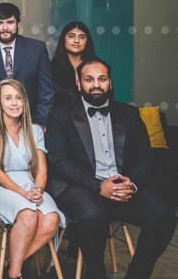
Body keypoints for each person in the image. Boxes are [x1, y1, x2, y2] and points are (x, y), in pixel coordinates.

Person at [46, 58, 177, 279]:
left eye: (102, 79)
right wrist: (99, 186)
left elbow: (145, 156)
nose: (96, 84)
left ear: (110, 82)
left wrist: (131, 183)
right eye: (89, 79)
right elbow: (59, 161)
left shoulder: (130, 114)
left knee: (164, 216)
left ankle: (137, 275)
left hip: (126, 185)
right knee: (91, 215)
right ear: (79, 83)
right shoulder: (61, 115)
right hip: (84, 185)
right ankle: (96, 272)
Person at [0, 79, 63, 279]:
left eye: (18, 98)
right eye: (8, 98)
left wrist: (38, 190)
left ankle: (10, 265)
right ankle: (15, 274)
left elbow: (41, 168)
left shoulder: (35, 130)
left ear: (25, 102)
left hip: (30, 185)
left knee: (51, 218)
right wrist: (23, 194)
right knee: (29, 214)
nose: (14, 103)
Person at [0, 3, 55, 129]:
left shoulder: (36, 49)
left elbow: (46, 91)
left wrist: (41, 124)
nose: (5, 28)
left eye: (10, 22)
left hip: (30, 125)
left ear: (18, 24)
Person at [50, 21, 96, 105]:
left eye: (82, 37)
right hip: (59, 116)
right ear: (64, 39)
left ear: (87, 41)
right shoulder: (51, 68)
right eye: (71, 36)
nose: (76, 41)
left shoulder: (97, 67)